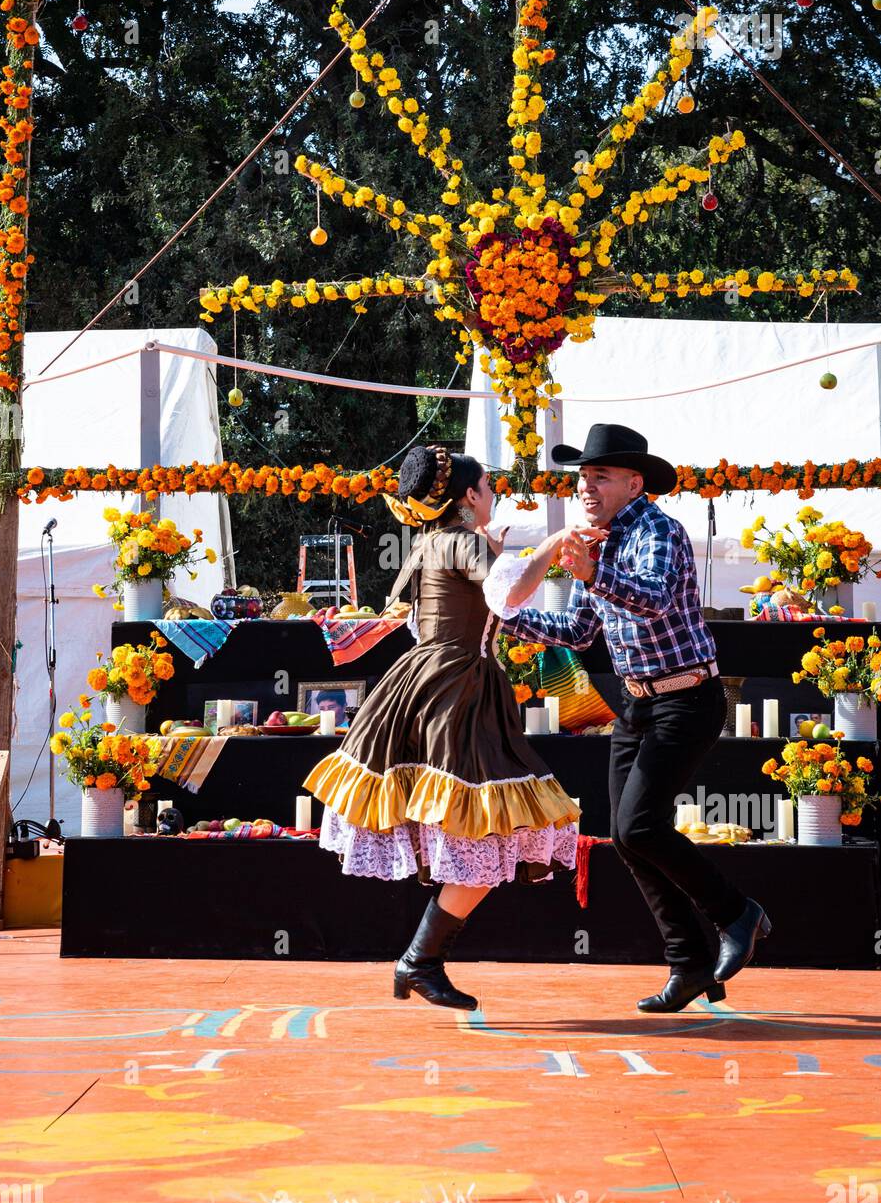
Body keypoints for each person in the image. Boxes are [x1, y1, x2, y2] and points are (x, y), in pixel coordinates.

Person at [484, 424, 771, 1014]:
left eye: (600, 476)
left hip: (687, 699)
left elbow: (655, 597)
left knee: (639, 828)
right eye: (584, 477)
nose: (586, 487)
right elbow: (581, 632)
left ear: (634, 482)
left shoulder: (659, 529)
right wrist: (507, 621)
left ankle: (739, 914)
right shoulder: (600, 540)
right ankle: (689, 963)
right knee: (626, 835)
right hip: (640, 703)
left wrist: (591, 573)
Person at [302, 443, 598, 1011]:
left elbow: (420, 621)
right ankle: (419, 960)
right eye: (488, 487)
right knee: (483, 831)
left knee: (481, 833)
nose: (493, 495)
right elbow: (508, 595)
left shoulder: (432, 543)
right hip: (457, 690)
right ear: (467, 496)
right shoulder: (461, 541)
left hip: (437, 681)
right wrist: (554, 546)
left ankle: (420, 959)